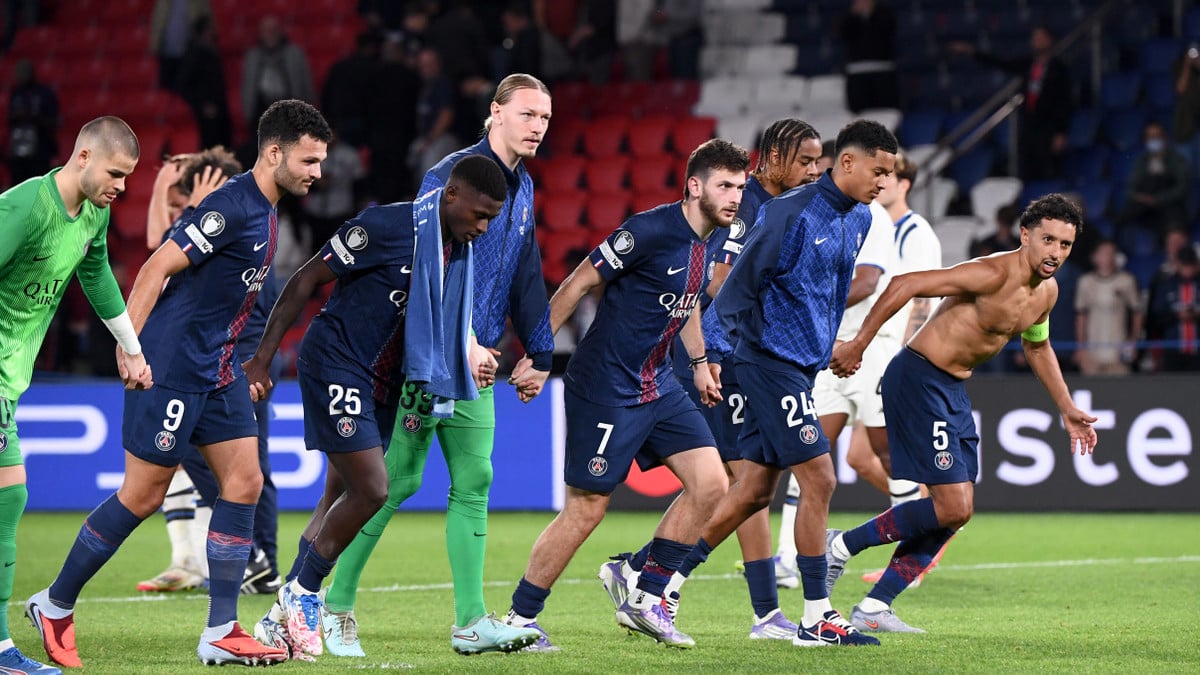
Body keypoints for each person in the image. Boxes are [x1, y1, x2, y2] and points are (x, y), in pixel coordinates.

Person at [26, 100, 332, 668]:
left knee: (244, 480)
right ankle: (54, 602)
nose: (318, 172)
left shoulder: (267, 210)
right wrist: (130, 346)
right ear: (274, 152)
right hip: (170, 367)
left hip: (217, 371)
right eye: (309, 160)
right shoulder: (230, 206)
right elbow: (153, 268)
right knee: (141, 495)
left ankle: (220, 630)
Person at [633, 120, 897, 649]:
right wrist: (714, 363)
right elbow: (731, 294)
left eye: (890, 173)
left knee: (753, 489)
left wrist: (830, 351)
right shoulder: (787, 213)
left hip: (801, 366)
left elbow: (828, 290)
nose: (884, 182)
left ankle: (663, 585)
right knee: (819, 477)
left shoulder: (862, 218)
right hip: (763, 363)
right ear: (846, 163)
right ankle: (817, 616)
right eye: (879, 169)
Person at [318, 73, 556, 658]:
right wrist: (466, 337)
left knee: (475, 481)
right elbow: (430, 269)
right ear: (495, 113)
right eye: (527, 115)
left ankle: (471, 622)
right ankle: (334, 608)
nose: (537, 127)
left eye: (545, 119)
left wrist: (542, 351)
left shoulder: (522, 189)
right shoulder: (448, 177)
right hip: (429, 361)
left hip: (477, 367)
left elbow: (525, 271)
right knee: (393, 483)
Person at [249, 154, 512, 660]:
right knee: (374, 488)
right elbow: (305, 279)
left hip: (387, 383)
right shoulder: (385, 225)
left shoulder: (456, 249)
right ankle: (302, 594)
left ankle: (275, 621)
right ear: (451, 195)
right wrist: (262, 360)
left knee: (337, 497)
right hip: (338, 362)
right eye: (479, 215)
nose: (483, 227)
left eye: (491, 220)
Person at [502, 138, 749, 650]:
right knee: (588, 508)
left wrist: (700, 364)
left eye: (741, 188)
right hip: (606, 386)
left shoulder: (707, 241)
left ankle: (645, 596)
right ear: (695, 185)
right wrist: (539, 354)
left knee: (711, 483)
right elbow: (575, 284)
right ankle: (520, 617)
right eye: (725, 186)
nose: (735, 197)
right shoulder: (648, 231)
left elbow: (687, 305)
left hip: (658, 383)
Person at [825, 193, 1099, 633]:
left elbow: (1037, 344)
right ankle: (839, 546)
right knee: (951, 503)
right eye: (1048, 240)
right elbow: (904, 284)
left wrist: (1066, 407)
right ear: (1025, 234)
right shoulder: (992, 272)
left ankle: (875, 607)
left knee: (958, 510)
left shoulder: (1046, 292)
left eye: (1065, 245)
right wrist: (858, 344)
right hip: (918, 377)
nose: (1055, 253)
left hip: (951, 387)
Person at [599, 120, 823, 637]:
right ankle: (665, 581)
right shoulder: (748, 208)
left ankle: (643, 570)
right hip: (722, 357)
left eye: (819, 163)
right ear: (770, 158)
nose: (814, 172)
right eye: (805, 160)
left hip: (743, 357)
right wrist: (714, 355)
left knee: (753, 486)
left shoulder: (776, 206)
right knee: (742, 484)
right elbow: (719, 282)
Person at [0, 116, 148, 675]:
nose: (122, 187)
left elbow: (97, 274)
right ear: (82, 158)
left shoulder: (94, 212)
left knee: (8, 500)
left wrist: (130, 348)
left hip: (9, 381)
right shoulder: (24, 208)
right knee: (7, 498)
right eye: (116, 173)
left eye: (128, 176)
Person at [950, 25, 1072, 181]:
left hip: (1048, 127)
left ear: (1050, 40)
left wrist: (1061, 131)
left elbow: (1064, 102)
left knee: (1048, 170)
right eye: (1034, 38)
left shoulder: (1059, 69)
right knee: (1027, 169)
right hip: (1028, 125)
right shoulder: (1028, 64)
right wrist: (972, 51)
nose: (1036, 41)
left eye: (1040, 38)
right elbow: (1001, 62)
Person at [1073, 240, 1143, 375]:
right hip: (1092, 353)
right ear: (1095, 257)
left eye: (1112, 253)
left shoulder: (1127, 281)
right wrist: (1081, 347)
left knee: (1120, 393)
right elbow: (1081, 315)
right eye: (1104, 253)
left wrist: (1133, 341)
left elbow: (1137, 312)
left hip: (1118, 353)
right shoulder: (1085, 282)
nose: (1109, 257)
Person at [1113, 121, 1190, 235]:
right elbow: (1131, 187)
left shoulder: (1176, 159)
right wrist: (1141, 197)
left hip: (1168, 202)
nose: (1154, 140)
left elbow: (1181, 187)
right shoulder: (1142, 160)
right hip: (1145, 202)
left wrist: (1158, 199)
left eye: (1157, 136)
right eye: (1150, 137)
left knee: (1174, 217)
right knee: (1123, 217)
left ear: (1164, 138)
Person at [240, 15, 315, 131]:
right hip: (261, 112)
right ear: (260, 33)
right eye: (266, 31)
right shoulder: (252, 56)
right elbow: (246, 89)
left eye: (274, 30)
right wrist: (248, 114)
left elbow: (306, 85)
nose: (270, 34)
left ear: (281, 32)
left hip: (291, 111)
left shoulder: (295, 54)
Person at [1146, 243, 1200, 372]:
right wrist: (1176, 316)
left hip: (1198, 349)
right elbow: (1156, 317)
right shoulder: (1166, 285)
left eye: (1190, 265)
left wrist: (1195, 315)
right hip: (1173, 349)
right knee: (1172, 387)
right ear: (1177, 264)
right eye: (1185, 265)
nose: (1188, 269)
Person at [6, 58, 60, 184]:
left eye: (23, 71)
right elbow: (9, 119)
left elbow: (54, 120)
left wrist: (34, 119)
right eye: (18, 71)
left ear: (31, 72)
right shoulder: (16, 93)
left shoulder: (44, 93)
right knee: (18, 184)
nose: (19, 75)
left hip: (40, 150)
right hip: (19, 149)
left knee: (38, 185)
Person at [839, 0, 899, 112]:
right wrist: (854, 15)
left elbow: (889, 29)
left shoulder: (884, 12)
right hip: (857, 72)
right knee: (860, 119)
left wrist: (872, 13)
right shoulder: (849, 15)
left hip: (883, 71)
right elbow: (843, 34)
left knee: (886, 114)